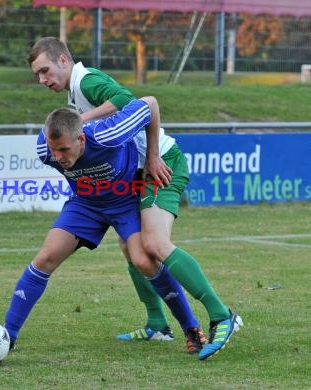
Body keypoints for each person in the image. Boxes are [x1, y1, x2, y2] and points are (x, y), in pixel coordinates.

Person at [27, 37, 241, 360]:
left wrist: (150, 153)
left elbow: (132, 100)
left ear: (63, 61)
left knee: (154, 244)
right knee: (131, 248)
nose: (42, 79)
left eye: (45, 70)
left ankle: (221, 314)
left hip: (162, 163)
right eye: (37, 75)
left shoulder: (86, 81)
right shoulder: (75, 90)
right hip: (140, 172)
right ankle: (157, 323)